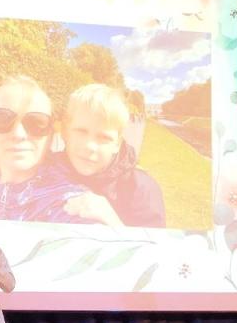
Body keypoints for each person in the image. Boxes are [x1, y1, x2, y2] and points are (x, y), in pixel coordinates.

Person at [0, 76, 91, 223]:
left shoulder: (67, 202)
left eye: (36, 122)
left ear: (51, 134)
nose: (18, 134)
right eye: (1, 118)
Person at [43, 83, 166, 227]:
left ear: (117, 144)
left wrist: (113, 222)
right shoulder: (45, 171)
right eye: (81, 131)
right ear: (65, 132)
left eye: (104, 137)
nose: (90, 146)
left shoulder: (141, 189)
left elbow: (151, 241)